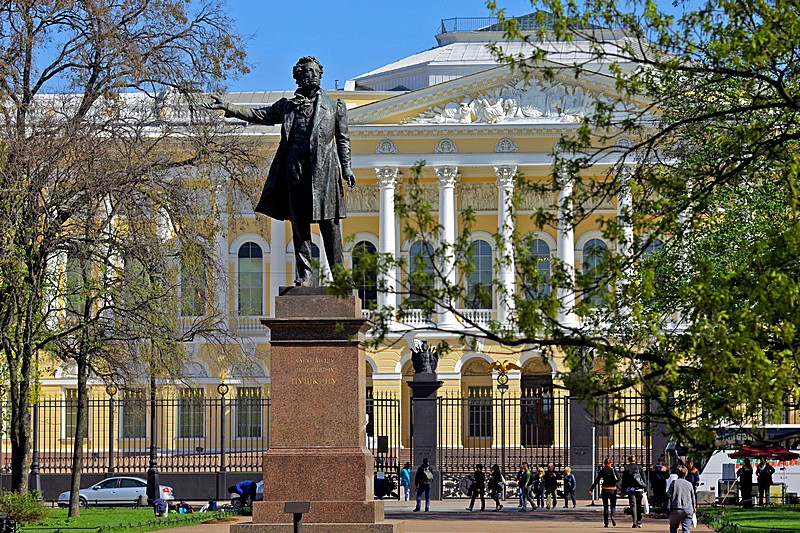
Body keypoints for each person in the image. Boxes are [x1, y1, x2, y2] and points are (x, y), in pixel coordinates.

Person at [205, 56, 356, 287]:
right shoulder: (287, 107)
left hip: (324, 173)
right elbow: (259, 115)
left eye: (316, 72)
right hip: (295, 171)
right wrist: (229, 107)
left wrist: (346, 168)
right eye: (307, 72)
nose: (313, 76)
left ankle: (341, 279)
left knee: (331, 227)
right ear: (298, 76)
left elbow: (342, 139)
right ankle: (305, 276)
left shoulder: (335, 107)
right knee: (299, 226)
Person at [590, 458, 619, 528]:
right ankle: (613, 516)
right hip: (613, 489)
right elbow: (618, 479)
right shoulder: (613, 470)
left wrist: (591, 489)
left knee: (605, 507)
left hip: (605, 490)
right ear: (610, 463)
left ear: (604, 463)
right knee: (613, 505)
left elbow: (597, 480)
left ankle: (606, 523)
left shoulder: (603, 471)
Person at [667, 465, 696, 533]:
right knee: (686, 529)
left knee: (673, 528)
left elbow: (669, 495)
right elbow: (693, 497)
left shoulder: (673, 483)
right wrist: (694, 507)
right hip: (688, 509)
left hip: (676, 508)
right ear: (686, 473)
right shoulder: (689, 484)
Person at [621, 454, 647, 528]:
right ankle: (639, 521)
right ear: (635, 460)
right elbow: (643, 479)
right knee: (639, 505)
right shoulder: (639, 468)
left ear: (629, 460)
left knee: (633, 505)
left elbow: (624, 481)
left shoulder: (627, 468)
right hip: (639, 489)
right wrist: (645, 489)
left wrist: (623, 491)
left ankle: (634, 521)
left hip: (631, 489)